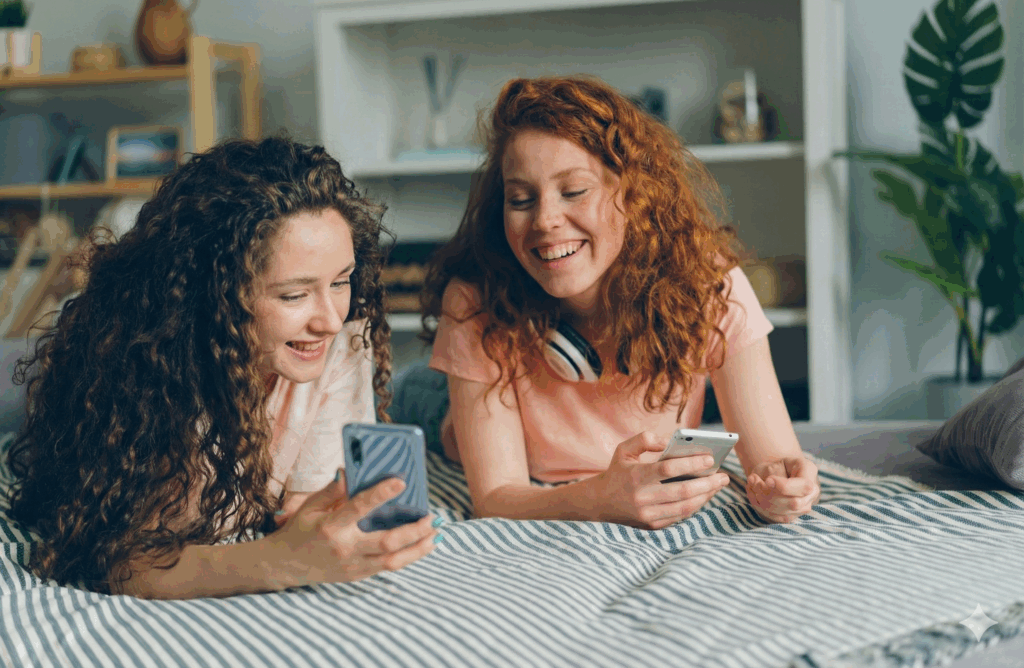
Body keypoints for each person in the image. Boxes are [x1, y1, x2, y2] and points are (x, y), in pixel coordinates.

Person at [5, 137, 440, 598]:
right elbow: (126, 562)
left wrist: (324, 529)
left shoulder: (341, 341)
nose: (330, 320)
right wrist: (282, 560)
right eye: (293, 295)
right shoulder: (158, 373)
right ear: (214, 296)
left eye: (341, 281)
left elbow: (301, 508)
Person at [418, 76, 820, 529]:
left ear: (633, 194)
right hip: (439, 408)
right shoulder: (474, 300)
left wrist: (784, 486)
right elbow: (495, 497)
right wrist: (598, 498)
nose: (545, 220)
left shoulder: (709, 283)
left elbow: (775, 459)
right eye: (521, 198)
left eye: (574, 191)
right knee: (415, 404)